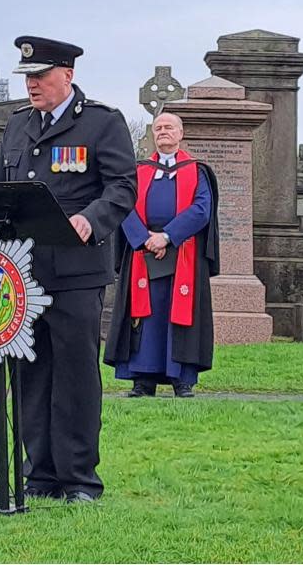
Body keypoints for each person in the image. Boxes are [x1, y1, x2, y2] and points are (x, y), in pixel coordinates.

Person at [0, 35, 136, 504]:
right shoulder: (17, 126)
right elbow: (0, 193)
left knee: (74, 376)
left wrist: (89, 219)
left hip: (76, 272)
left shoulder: (101, 124)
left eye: (40, 77)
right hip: (24, 274)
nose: (32, 85)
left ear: (67, 76)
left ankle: (79, 480)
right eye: (28, 78)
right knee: (31, 375)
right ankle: (42, 475)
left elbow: (121, 188)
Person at [104, 112, 219, 398]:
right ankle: (143, 379)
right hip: (143, 252)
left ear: (181, 133)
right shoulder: (138, 170)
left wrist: (167, 236)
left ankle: (182, 379)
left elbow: (202, 209)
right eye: (158, 128)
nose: (163, 132)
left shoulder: (197, 170)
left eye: (169, 127)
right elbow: (124, 205)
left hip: (183, 253)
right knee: (145, 315)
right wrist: (145, 239)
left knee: (178, 315)